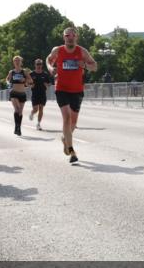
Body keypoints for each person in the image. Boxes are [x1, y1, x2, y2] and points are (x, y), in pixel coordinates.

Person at [47, 26, 97, 164]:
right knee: (67, 118)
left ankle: (65, 139)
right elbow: (49, 59)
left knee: (73, 122)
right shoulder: (58, 50)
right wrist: (51, 68)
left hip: (77, 90)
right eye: (67, 35)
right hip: (61, 88)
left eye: (72, 35)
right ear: (64, 37)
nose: (70, 38)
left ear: (76, 37)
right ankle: (72, 151)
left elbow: (95, 66)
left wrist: (85, 65)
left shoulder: (82, 51)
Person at [6, 55, 33, 135]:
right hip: (14, 92)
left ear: (21, 62)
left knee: (20, 112)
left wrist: (25, 79)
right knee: (17, 109)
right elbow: (7, 79)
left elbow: (30, 80)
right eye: (15, 60)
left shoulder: (24, 71)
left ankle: (18, 128)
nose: (17, 62)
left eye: (18, 60)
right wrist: (8, 83)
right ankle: (17, 127)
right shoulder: (12, 72)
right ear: (13, 62)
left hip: (22, 93)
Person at [28, 59, 54, 130]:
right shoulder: (31, 74)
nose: (39, 66)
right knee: (35, 109)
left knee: (41, 109)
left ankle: (38, 124)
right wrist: (30, 85)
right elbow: (27, 83)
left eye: (40, 64)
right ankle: (32, 113)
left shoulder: (45, 74)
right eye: (37, 64)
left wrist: (47, 84)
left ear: (42, 65)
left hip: (43, 93)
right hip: (35, 94)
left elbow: (49, 83)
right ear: (35, 65)